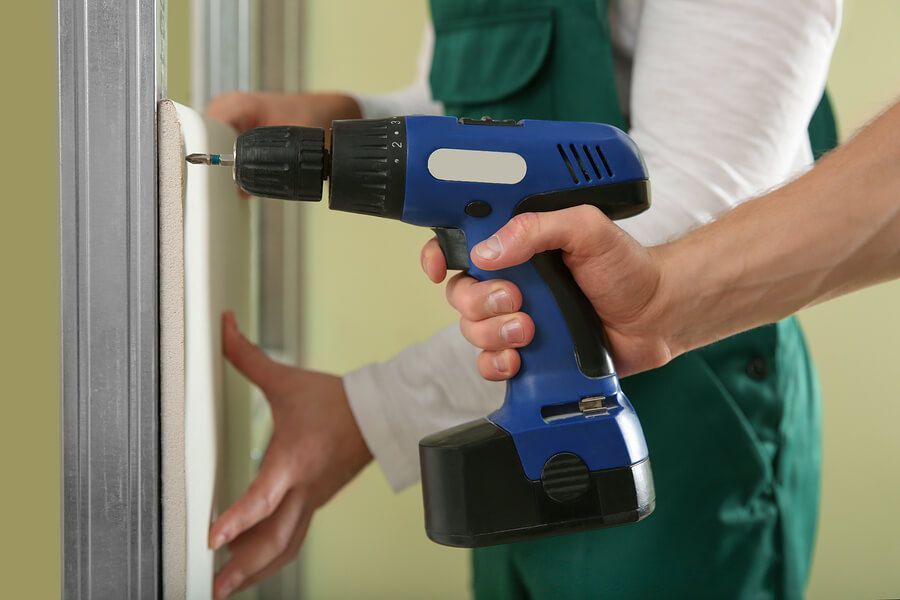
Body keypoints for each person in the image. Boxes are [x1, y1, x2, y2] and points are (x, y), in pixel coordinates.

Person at [205, 2, 842, 598]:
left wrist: (369, 413)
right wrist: (342, 124)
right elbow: (473, 104)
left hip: (693, 423)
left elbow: (704, 212)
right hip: (512, 409)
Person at [423, 99, 900, 380]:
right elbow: (444, 93)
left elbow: (712, 185)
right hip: (635, 342)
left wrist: (390, 409)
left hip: (703, 396)